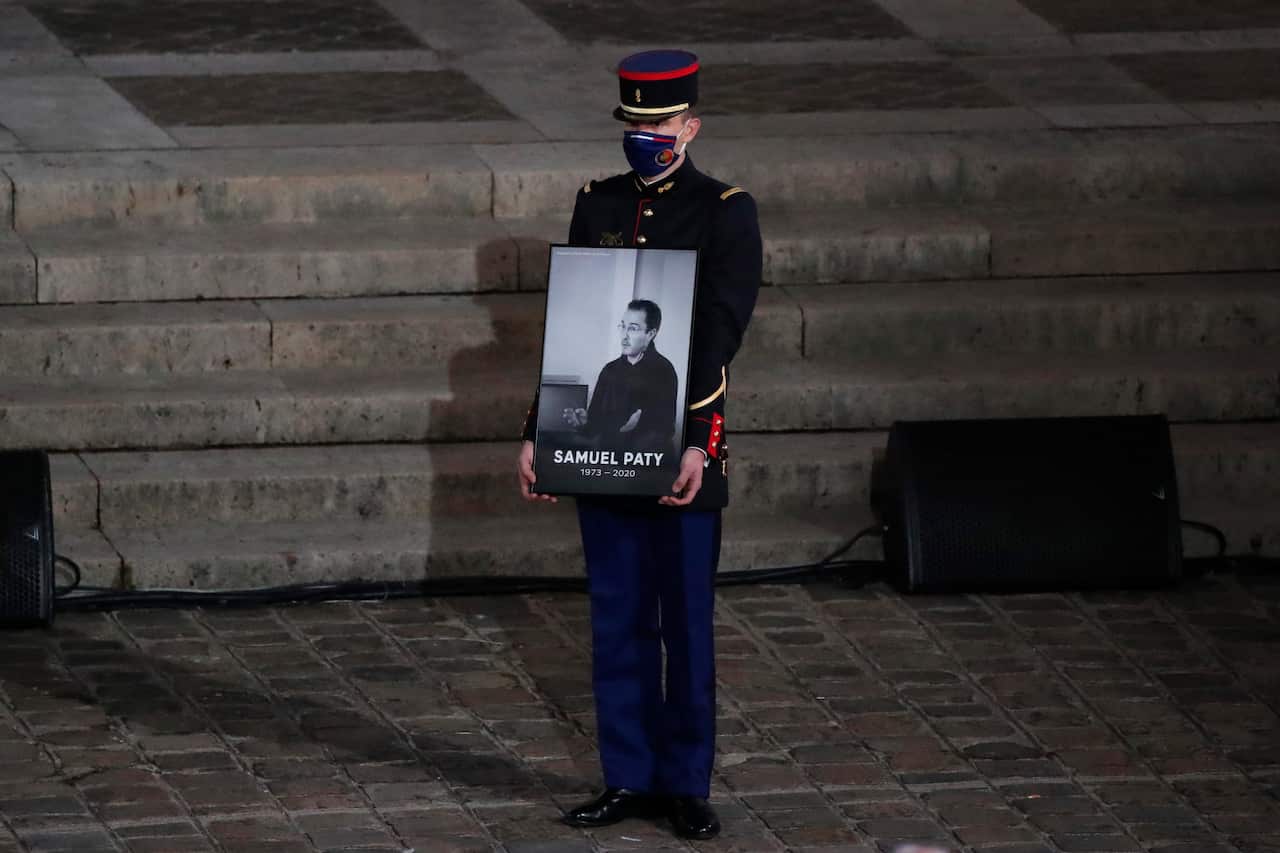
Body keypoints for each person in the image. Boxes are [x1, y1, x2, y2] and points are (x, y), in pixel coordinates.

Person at [516, 49, 762, 841]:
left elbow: (718, 338)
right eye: (633, 124)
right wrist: (540, 433)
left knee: (685, 621)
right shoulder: (598, 203)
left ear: (690, 125)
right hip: (603, 450)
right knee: (618, 616)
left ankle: (686, 780)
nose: (644, 137)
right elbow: (576, 330)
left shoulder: (725, 211)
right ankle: (627, 773)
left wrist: (698, 443)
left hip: (683, 444)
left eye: (657, 124)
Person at [563, 299, 678, 457]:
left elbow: (665, 429)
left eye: (633, 328)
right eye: (623, 326)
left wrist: (635, 428)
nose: (624, 335)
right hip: (606, 457)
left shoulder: (664, 370)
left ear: (650, 334)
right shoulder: (609, 369)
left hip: (645, 465)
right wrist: (584, 424)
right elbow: (595, 423)